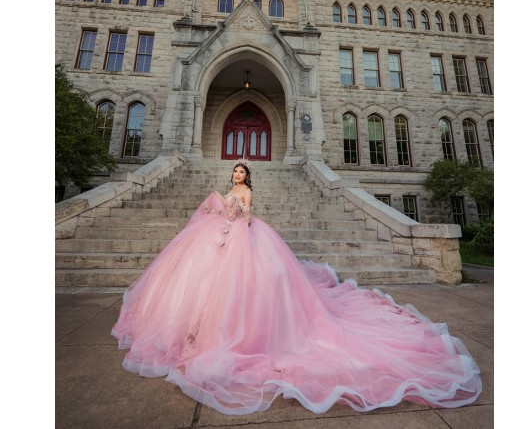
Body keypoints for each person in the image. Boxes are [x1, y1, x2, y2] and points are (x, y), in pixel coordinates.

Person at [112, 159, 482, 415]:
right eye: (236, 171)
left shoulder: (245, 195)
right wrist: (215, 210)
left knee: (241, 289)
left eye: (242, 172)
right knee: (205, 287)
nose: (238, 176)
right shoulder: (229, 188)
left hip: (238, 238)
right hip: (219, 238)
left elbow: (245, 214)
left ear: (247, 177)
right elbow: (225, 208)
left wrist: (231, 218)